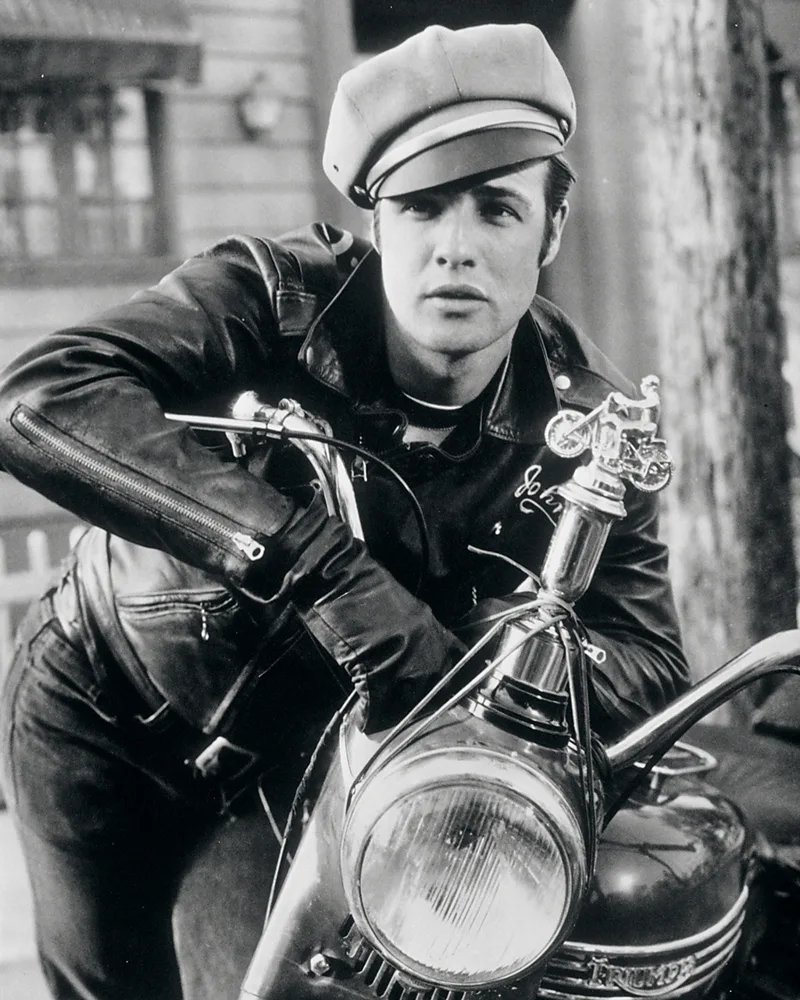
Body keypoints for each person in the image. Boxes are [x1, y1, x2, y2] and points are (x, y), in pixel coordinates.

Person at [0, 21, 689, 1000]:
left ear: (552, 228)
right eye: (420, 208)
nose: (454, 248)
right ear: (377, 225)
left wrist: (504, 659)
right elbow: (36, 399)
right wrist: (317, 566)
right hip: (101, 714)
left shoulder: (587, 422)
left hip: (301, 770)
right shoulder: (270, 297)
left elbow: (650, 658)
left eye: (496, 209)